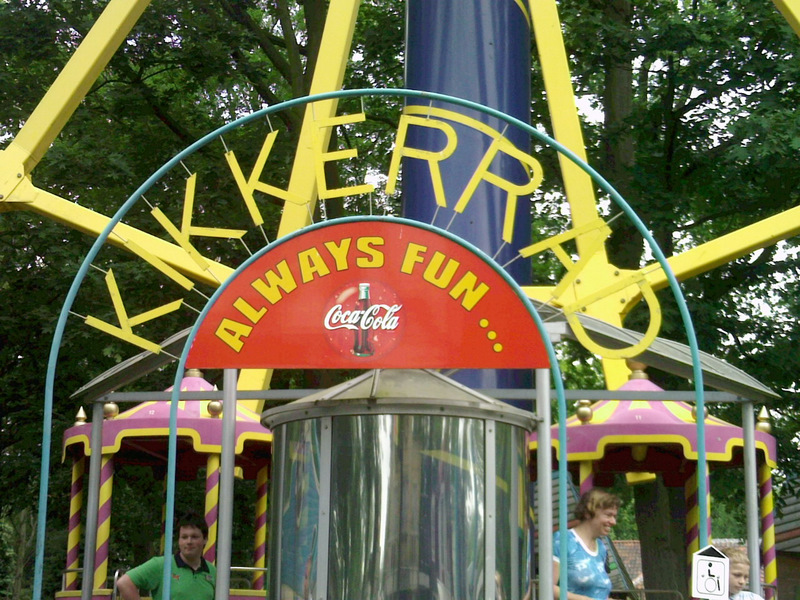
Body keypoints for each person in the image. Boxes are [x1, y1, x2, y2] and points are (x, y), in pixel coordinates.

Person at [116, 511, 216, 600]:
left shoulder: (213, 572)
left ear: (205, 539)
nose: (189, 541)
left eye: (194, 537)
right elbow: (124, 583)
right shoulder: (162, 565)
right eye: (184, 537)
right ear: (179, 540)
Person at [552, 488, 621, 600]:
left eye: (614, 516)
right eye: (608, 515)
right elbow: (547, 588)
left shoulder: (601, 548)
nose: (613, 522)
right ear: (588, 513)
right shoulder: (562, 540)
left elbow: (597, 594)